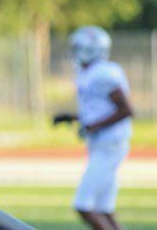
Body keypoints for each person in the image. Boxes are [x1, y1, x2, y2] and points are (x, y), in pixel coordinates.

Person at [53, 26, 134, 230]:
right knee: (104, 209)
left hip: (110, 145)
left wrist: (91, 127)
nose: (75, 51)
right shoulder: (91, 72)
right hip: (103, 144)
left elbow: (126, 109)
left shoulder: (104, 73)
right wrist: (72, 117)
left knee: (83, 205)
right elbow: (99, 110)